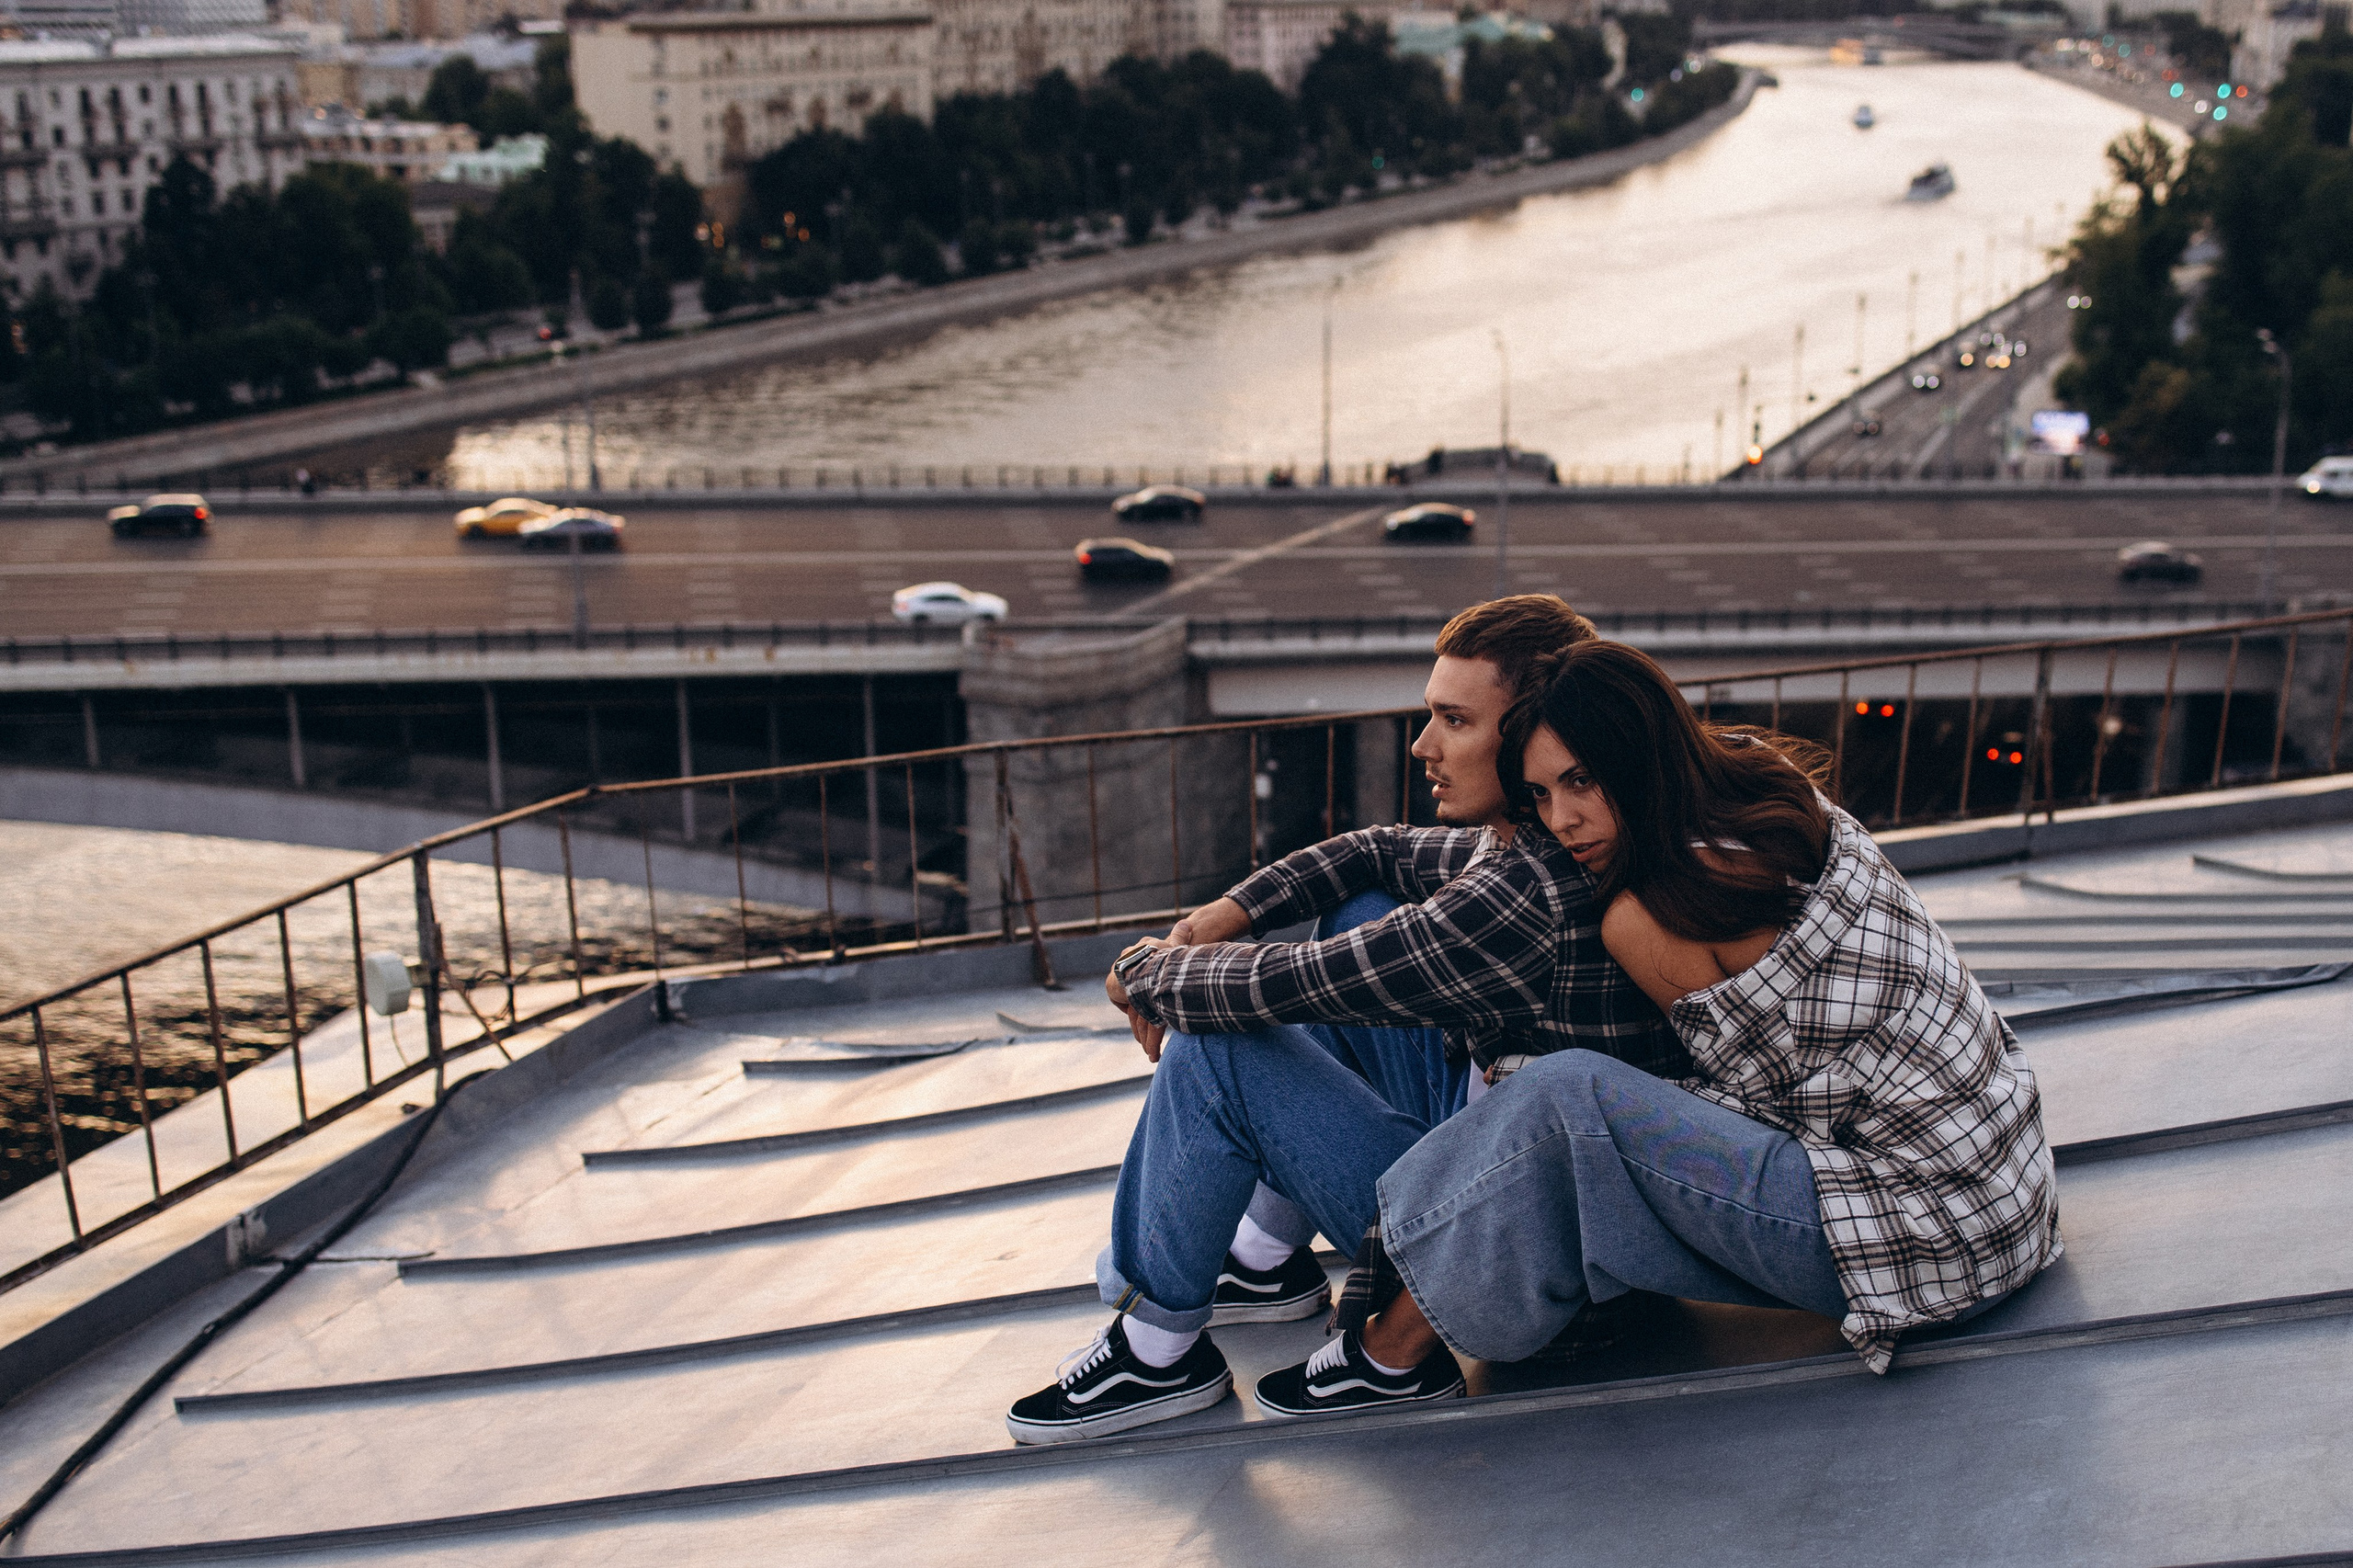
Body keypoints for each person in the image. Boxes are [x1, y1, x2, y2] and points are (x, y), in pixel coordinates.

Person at [1250, 640, 2063, 1415]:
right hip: (2007, 1180)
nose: (1562, 822)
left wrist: (1547, 1079)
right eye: (1540, 795)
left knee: (1563, 1094)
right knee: (1560, 1089)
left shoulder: (1649, 914)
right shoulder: (1767, 788)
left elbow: (1756, 1107)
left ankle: (1391, 1352)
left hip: (1922, 1237)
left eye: (1582, 782)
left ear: (1638, 761)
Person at [1004, 598, 1684, 1445]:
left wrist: (1148, 971)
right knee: (1358, 905)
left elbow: (1290, 986)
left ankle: (1156, 1352)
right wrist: (1225, 912)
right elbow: (1376, 853)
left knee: (1221, 1051)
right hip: (1533, 1195)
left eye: (1453, 720)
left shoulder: (1526, 895)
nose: (1422, 745)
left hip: (1508, 1263)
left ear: (1531, 738)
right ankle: (1261, 1263)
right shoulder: (1538, 838)